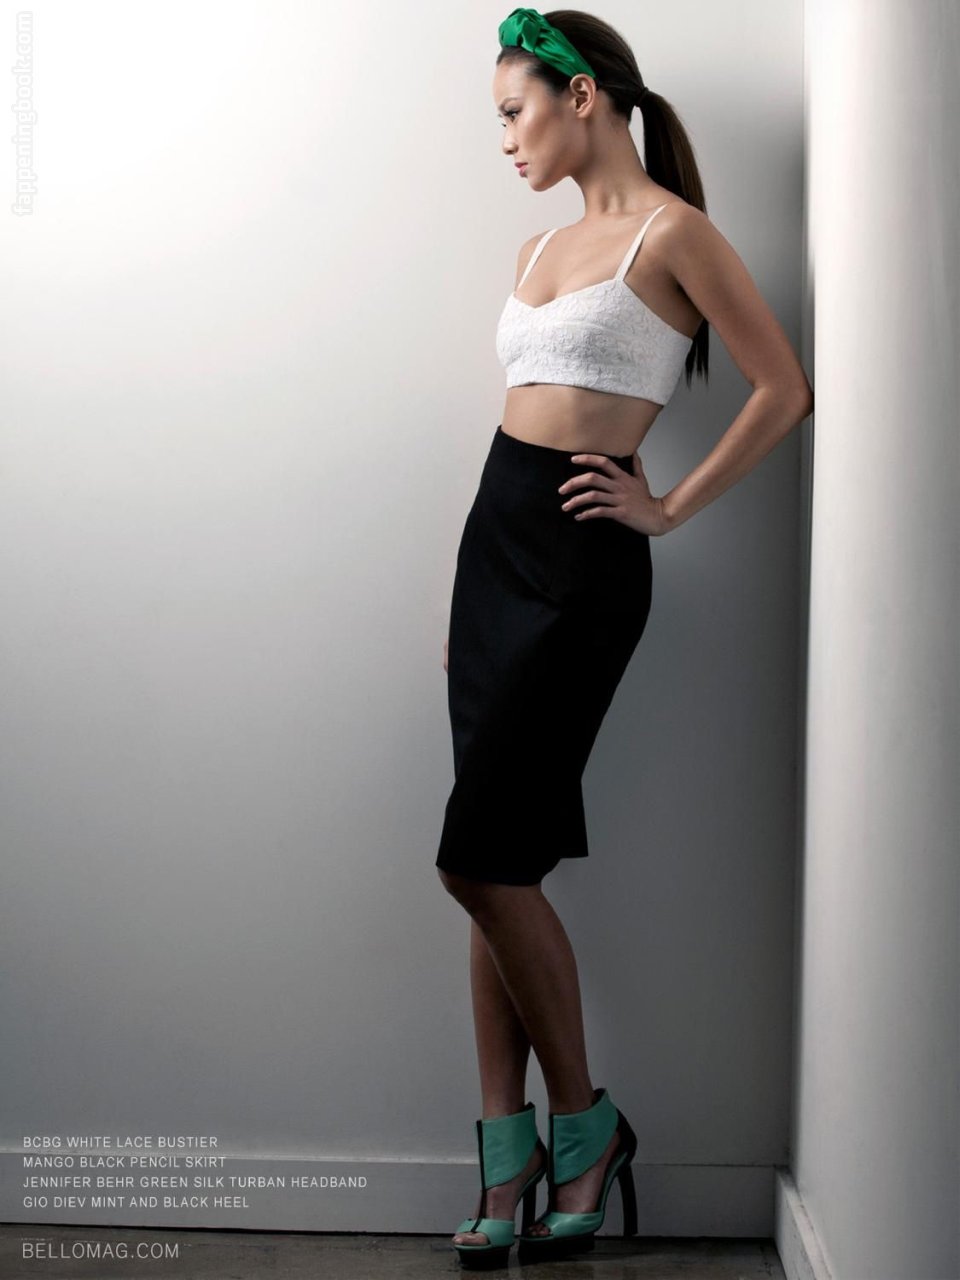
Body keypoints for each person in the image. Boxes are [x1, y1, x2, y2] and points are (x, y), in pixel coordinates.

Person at [435, 7, 814, 1269]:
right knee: (496, 854)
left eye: (514, 111)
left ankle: (584, 1125)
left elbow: (784, 387)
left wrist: (670, 505)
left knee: (480, 861)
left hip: (581, 563)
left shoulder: (674, 234)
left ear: (583, 96)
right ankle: (508, 1153)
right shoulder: (541, 242)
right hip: (492, 550)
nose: (505, 138)